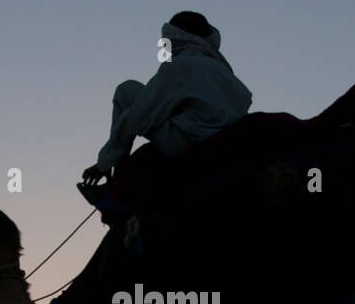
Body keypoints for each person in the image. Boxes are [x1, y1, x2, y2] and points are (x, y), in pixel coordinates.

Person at [80, 11, 253, 190]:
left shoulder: (179, 67)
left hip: (191, 142)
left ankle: (115, 177)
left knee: (127, 91)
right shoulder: (224, 71)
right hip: (225, 141)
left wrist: (104, 161)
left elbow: (139, 116)